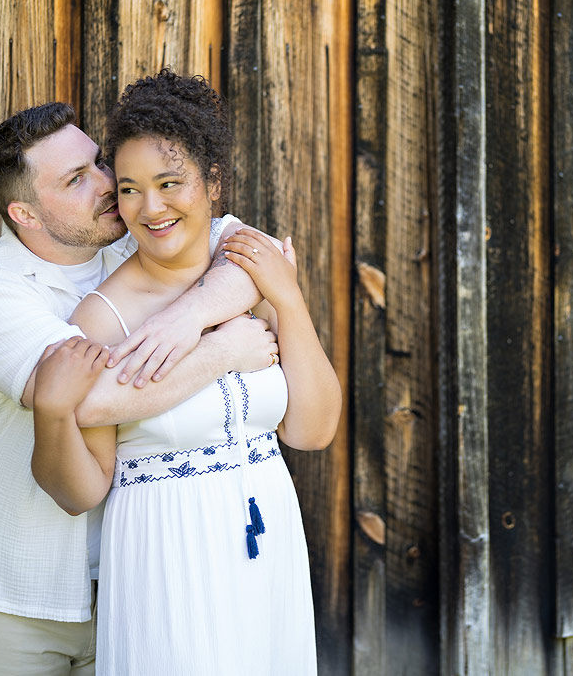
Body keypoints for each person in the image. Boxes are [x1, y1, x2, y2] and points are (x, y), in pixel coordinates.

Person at [0, 102, 277, 675]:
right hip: (8, 596)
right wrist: (218, 351)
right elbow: (90, 401)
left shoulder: (130, 239)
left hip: (124, 585)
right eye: (76, 179)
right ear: (26, 213)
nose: (109, 186)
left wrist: (187, 317)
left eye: (98, 164)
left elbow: (250, 249)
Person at [31, 70, 341, 675]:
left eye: (169, 183)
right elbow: (82, 490)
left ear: (212, 182)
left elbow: (311, 431)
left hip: (268, 538)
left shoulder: (251, 269)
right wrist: (54, 414)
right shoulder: (103, 318)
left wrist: (290, 299)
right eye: (129, 189)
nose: (150, 208)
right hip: (167, 551)